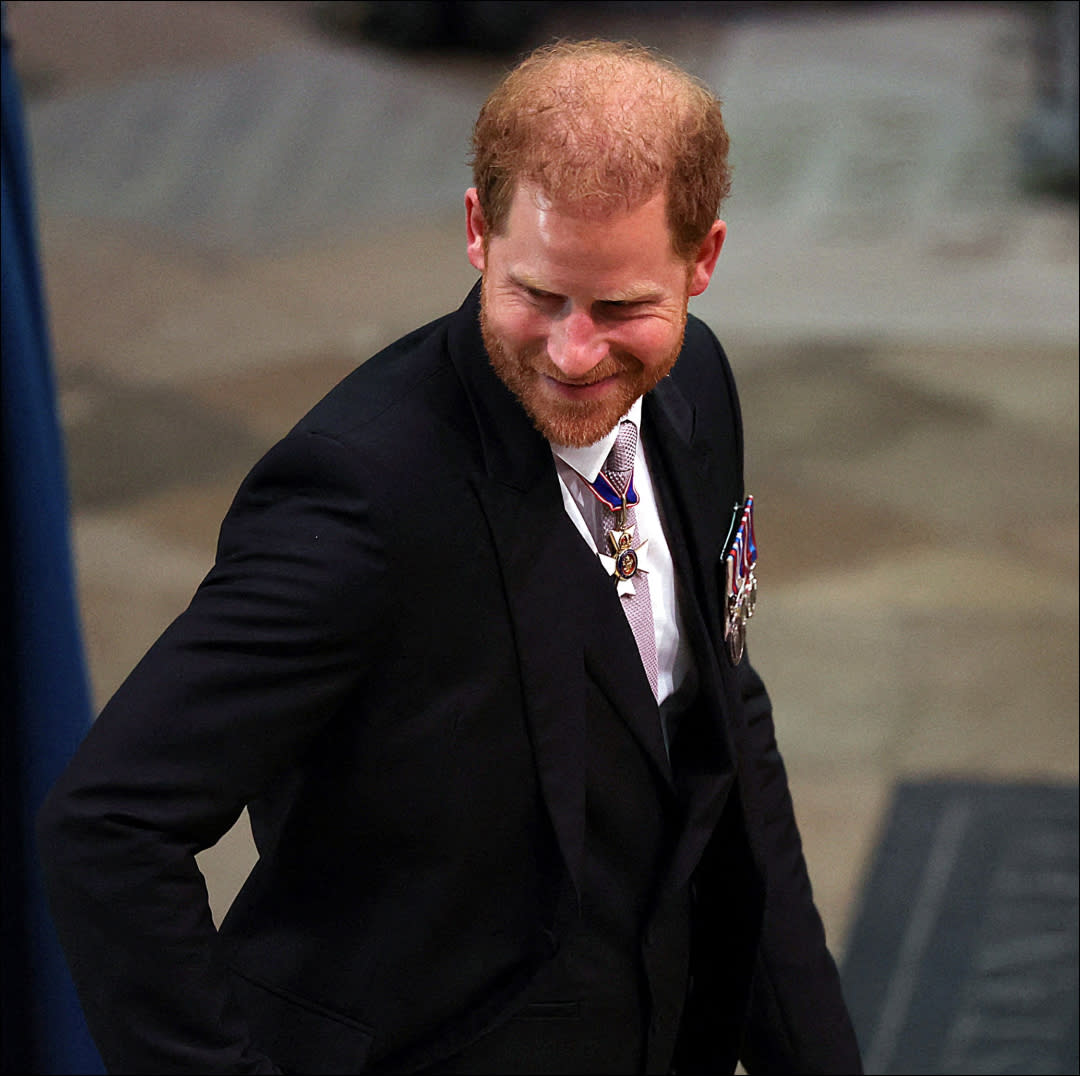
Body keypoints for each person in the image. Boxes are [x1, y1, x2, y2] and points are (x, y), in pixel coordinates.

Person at [38, 39, 863, 1075]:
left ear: (704, 261)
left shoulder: (696, 386)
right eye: (538, 294)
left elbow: (722, 733)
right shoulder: (361, 500)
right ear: (478, 231)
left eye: (621, 309)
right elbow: (108, 825)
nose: (574, 354)